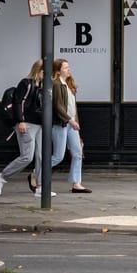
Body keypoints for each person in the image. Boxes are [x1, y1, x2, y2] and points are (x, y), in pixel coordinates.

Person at [0, 59, 46, 197]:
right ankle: (2, 176)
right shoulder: (26, 83)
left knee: (41, 156)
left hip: (39, 124)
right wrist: (21, 121)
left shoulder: (43, 86)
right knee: (27, 156)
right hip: (27, 123)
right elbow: (18, 102)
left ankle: (40, 186)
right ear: (39, 71)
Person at [43, 58, 90, 195]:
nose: (68, 69)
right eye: (65, 68)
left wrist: (76, 122)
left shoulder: (68, 84)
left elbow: (72, 107)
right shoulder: (57, 84)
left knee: (77, 153)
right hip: (61, 124)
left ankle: (77, 183)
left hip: (71, 124)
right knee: (58, 156)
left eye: (68, 67)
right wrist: (71, 120)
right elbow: (58, 107)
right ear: (58, 71)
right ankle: (37, 173)